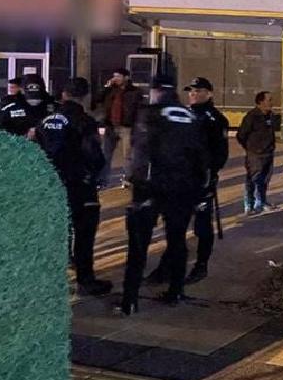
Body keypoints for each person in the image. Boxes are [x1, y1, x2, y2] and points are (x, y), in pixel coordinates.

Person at [118, 75, 208, 315]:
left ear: (156, 91)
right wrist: (199, 189)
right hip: (183, 188)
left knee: (138, 245)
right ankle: (175, 291)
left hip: (151, 187)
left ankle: (130, 300)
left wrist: (134, 180)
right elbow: (201, 156)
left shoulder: (150, 113)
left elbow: (140, 151)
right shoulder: (190, 116)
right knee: (177, 241)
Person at [147, 77, 229, 285]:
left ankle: (201, 265)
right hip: (180, 180)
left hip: (201, 181)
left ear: (209, 94)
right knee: (177, 226)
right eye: (191, 90)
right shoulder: (184, 114)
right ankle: (167, 267)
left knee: (202, 226)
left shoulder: (215, 119)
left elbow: (220, 154)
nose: (192, 94)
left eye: (198, 90)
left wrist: (207, 176)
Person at [36, 77, 112, 296]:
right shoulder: (84, 121)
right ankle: (85, 280)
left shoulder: (46, 120)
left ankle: (50, 282)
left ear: (63, 95)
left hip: (51, 185)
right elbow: (93, 154)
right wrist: (96, 174)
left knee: (56, 233)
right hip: (79, 185)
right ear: (85, 96)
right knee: (84, 234)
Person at [99, 68, 144, 187]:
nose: (116, 79)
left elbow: (139, 109)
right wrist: (106, 87)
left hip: (126, 127)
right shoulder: (111, 90)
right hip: (111, 126)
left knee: (127, 155)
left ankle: (127, 180)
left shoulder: (135, 92)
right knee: (105, 155)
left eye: (118, 76)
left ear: (126, 77)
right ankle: (103, 181)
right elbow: (98, 99)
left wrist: (136, 124)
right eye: (114, 76)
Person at [237, 91, 276, 214]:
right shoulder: (251, 116)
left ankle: (261, 202)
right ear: (260, 102)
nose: (271, 103)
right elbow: (241, 135)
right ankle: (249, 204)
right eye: (269, 100)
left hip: (268, 153)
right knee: (253, 179)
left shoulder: (270, 116)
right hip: (255, 154)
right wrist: (251, 148)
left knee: (264, 180)